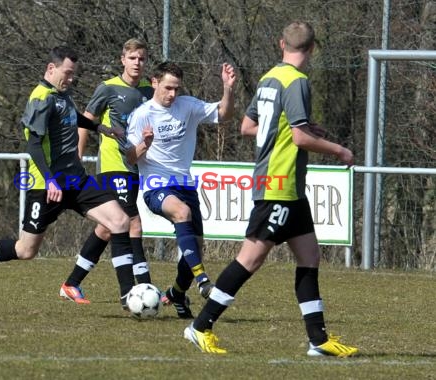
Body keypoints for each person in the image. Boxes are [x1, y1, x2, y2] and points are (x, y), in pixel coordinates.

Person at [183, 21, 358, 356]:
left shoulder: (268, 78)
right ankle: (200, 326)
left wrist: (304, 127)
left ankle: (318, 340)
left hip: (288, 189)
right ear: (312, 49)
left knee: (310, 257)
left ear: (281, 44)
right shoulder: (297, 82)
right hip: (279, 183)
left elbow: (249, 127)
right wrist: (338, 149)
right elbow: (299, 137)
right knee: (249, 259)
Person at [0, 46, 137, 311]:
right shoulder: (41, 98)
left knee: (119, 221)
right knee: (26, 250)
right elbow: (34, 146)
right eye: (67, 73)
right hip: (46, 185)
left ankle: (128, 296)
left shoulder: (62, 95)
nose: (71, 79)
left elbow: (73, 118)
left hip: (76, 180)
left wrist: (101, 128)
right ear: (51, 69)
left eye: (74, 74)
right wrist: (51, 181)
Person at [125, 61, 236, 318]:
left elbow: (224, 115)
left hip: (185, 184)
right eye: (167, 88)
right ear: (154, 82)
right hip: (156, 186)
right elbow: (130, 158)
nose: (172, 94)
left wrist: (228, 89)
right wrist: (145, 144)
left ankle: (175, 294)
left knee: (195, 247)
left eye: (176, 88)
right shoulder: (142, 114)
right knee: (182, 212)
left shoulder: (187, 106)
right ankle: (203, 281)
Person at [59, 38, 154, 304]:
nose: (137, 63)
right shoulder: (109, 88)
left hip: (135, 166)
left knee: (108, 228)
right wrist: (76, 158)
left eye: (142, 58)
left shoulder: (149, 91)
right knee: (132, 222)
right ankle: (140, 289)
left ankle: (71, 283)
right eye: (132, 58)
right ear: (122, 59)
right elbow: (85, 123)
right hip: (114, 166)